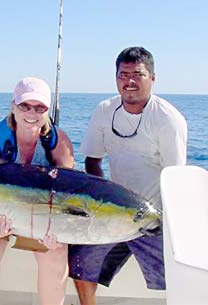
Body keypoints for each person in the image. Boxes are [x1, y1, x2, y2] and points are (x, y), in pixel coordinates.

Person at [68, 47, 187, 305]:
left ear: (152, 78)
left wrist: (164, 221)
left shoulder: (168, 119)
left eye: (138, 74)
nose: (129, 81)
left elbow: (176, 178)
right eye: (123, 74)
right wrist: (101, 204)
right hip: (112, 212)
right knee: (79, 263)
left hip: (154, 216)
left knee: (179, 277)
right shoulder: (104, 110)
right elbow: (92, 161)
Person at [0, 77, 74, 305]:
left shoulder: (59, 143)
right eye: (24, 106)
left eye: (40, 107)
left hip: (40, 220)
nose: (32, 113)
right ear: (13, 107)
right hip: (0, 214)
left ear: (47, 111)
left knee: (56, 253)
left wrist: (58, 230)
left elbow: (67, 193)